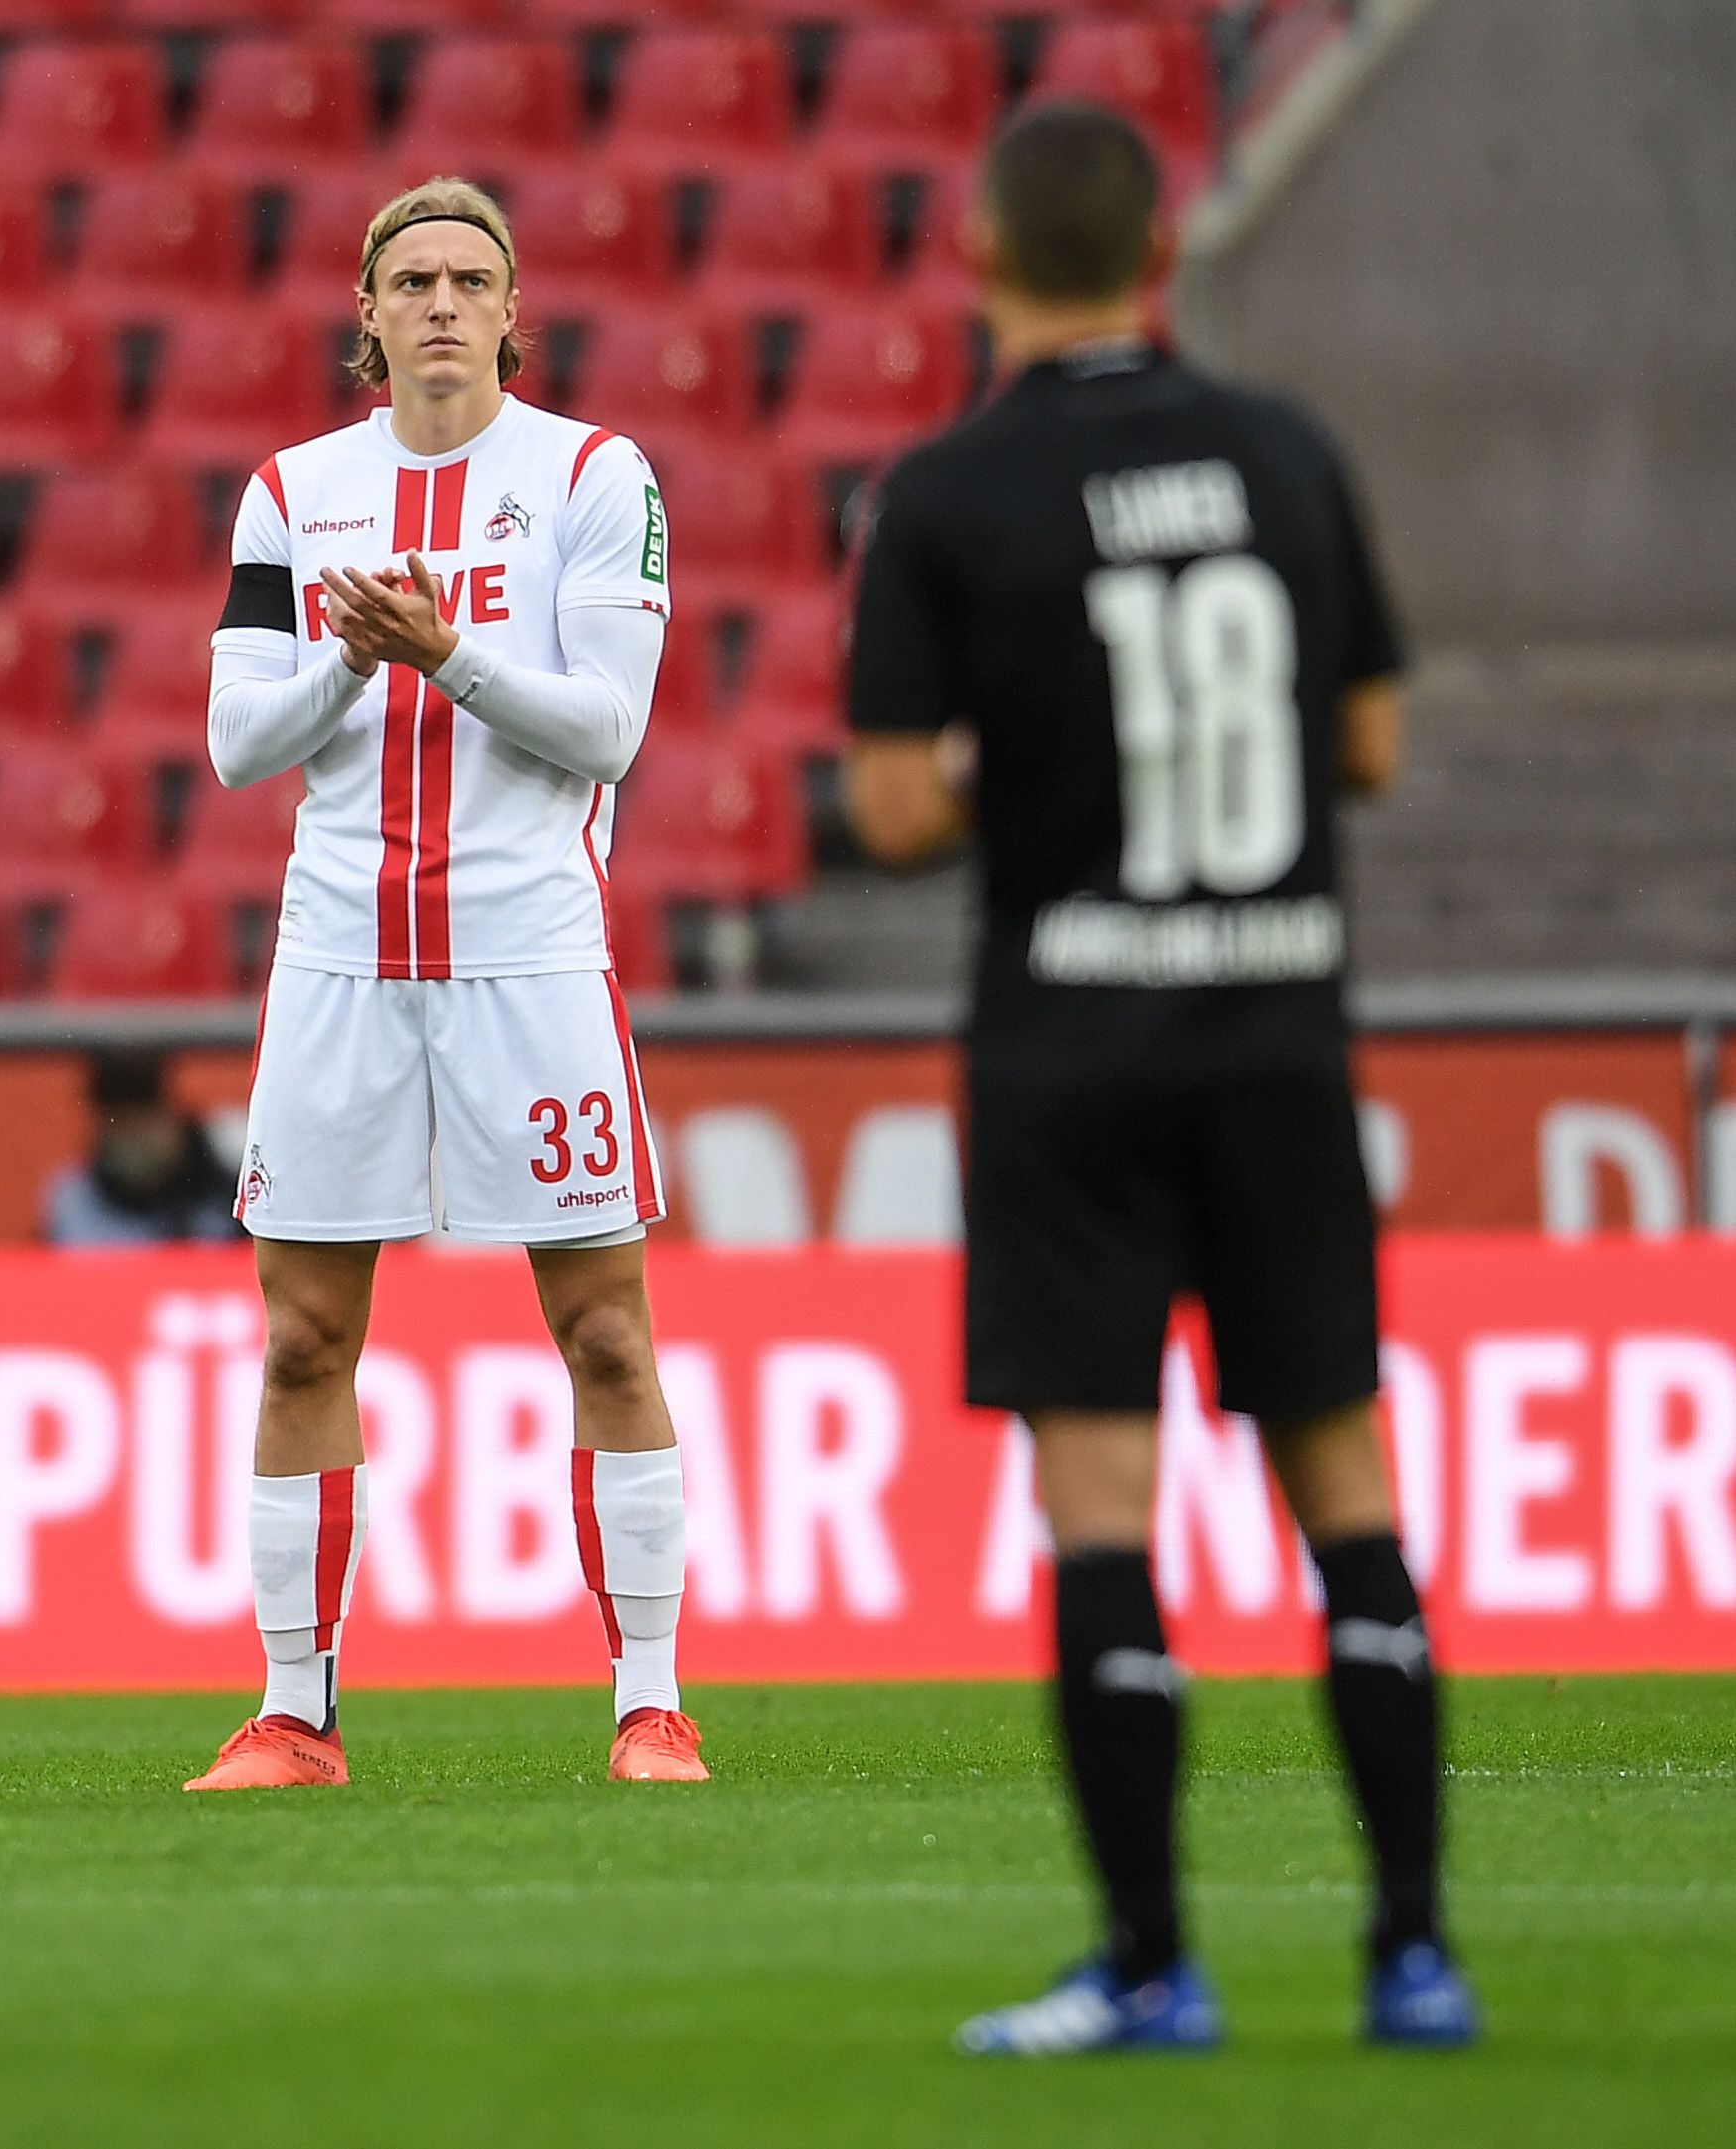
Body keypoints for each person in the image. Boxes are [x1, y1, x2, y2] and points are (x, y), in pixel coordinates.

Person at [843, 103, 1476, 2056]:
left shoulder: (948, 494)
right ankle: (1411, 1952)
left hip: (1072, 1051)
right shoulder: (1287, 451)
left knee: (1104, 1504)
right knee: (1345, 1485)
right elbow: (1364, 746)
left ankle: (1147, 1961)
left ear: (979, 256)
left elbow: (883, 807)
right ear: (1159, 255)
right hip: (1278, 1028)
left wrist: (1015, 758)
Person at [186, 177, 702, 1793]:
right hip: (338, 950)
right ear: (363, 310)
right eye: (405, 279)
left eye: (465, 279)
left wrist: (438, 655)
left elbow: (607, 728)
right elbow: (230, 743)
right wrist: (347, 657)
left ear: (506, 307)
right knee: (298, 1337)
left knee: (603, 1325)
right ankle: (293, 1712)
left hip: (526, 951)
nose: (435, 305)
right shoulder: (288, 493)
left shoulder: (589, 475)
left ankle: (648, 1700)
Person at [43, 1049, 245, 1247]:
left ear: (168, 1115)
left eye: (141, 1123)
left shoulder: (228, 1157)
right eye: (119, 1127)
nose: (132, 1139)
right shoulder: (77, 1198)